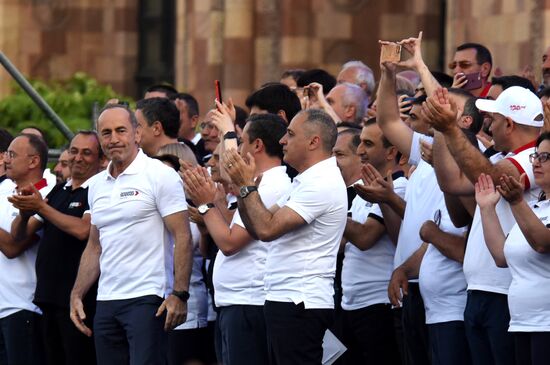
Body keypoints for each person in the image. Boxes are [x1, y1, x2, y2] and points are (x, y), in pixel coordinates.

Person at [424, 85, 543, 365]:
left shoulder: (532, 158)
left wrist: (451, 130)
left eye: (494, 120)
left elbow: (494, 179)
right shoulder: (499, 157)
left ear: (510, 123)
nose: (488, 126)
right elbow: (451, 183)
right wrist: (444, 128)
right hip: (479, 291)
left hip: (504, 294)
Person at [69, 104, 193, 364]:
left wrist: (180, 294)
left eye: (121, 130)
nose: (113, 139)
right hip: (106, 300)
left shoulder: (160, 175)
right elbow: (95, 247)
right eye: (106, 133)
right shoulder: (97, 185)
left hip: (148, 299)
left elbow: (182, 236)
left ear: (137, 134)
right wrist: (77, 294)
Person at [223, 109, 347, 365]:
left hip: (299, 301)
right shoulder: (306, 180)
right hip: (286, 298)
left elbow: (267, 230)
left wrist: (247, 187)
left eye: (290, 134)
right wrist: (242, 187)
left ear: (314, 141)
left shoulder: (321, 182)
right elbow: (258, 226)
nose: (282, 141)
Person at [184, 113, 291, 365]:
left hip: (249, 303)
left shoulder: (272, 184)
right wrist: (216, 201)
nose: (237, 150)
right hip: (236, 303)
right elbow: (231, 224)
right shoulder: (260, 182)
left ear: (257, 146)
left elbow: (230, 242)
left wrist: (205, 205)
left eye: (240, 142)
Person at [10, 131, 103, 365]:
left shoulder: (99, 189)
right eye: (73, 151)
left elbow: (83, 230)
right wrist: (24, 212)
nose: (77, 158)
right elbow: (19, 235)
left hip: (78, 302)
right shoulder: (59, 191)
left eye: (86, 153)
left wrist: (41, 207)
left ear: (101, 159)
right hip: (46, 299)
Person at [475, 132, 550, 365]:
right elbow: (501, 255)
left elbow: (542, 243)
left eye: (546, 157)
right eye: (536, 155)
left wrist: (516, 202)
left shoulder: (525, 207)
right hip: (522, 322)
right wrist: (487, 208)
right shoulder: (535, 207)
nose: (537, 161)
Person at [340, 119, 406, 364]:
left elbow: (365, 238)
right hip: (351, 304)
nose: (359, 151)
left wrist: (328, 212)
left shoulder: (399, 187)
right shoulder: (364, 190)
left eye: (368, 144)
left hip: (378, 304)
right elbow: (343, 245)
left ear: (391, 151)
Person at [0, 133, 54, 365]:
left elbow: (14, 246)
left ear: (33, 161)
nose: (6, 160)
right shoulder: (5, 192)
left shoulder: (48, 190)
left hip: (23, 306)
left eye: (12, 155)